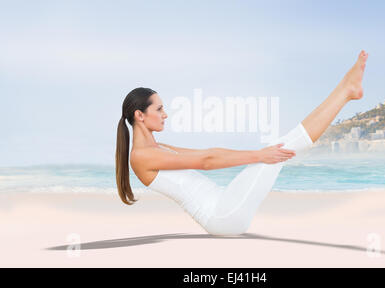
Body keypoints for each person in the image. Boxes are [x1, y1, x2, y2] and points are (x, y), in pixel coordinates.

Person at [115, 50, 369, 236]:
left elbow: (209, 153)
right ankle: (345, 91)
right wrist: (259, 156)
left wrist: (259, 154)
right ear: (140, 115)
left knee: (279, 148)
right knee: (281, 148)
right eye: (159, 109)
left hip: (223, 205)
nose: (165, 114)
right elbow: (206, 161)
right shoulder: (141, 156)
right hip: (222, 217)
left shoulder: (160, 148)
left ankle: (346, 91)